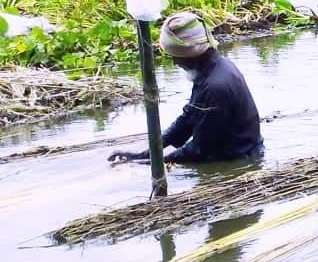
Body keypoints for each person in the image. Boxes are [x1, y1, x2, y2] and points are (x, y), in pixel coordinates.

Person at [108, 11, 264, 166]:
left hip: (241, 161)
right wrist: (146, 153)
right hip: (232, 154)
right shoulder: (212, 71)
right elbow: (189, 118)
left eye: (175, 57)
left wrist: (148, 163)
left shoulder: (216, 87)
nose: (175, 63)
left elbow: (198, 149)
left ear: (189, 56)